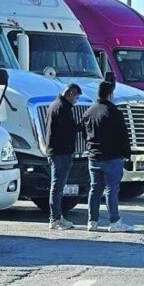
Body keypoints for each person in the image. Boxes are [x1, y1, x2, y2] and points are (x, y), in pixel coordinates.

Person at [83, 81, 134, 232]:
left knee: (94, 190)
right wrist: (127, 153)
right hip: (112, 157)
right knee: (111, 189)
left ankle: (92, 221)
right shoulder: (114, 113)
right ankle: (114, 221)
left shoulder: (89, 112)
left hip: (93, 157)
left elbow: (83, 133)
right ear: (110, 94)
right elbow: (123, 136)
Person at [44, 83, 82, 230]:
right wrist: (82, 125)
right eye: (76, 97)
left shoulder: (54, 105)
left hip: (55, 151)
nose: (76, 101)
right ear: (70, 94)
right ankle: (55, 218)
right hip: (61, 152)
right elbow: (68, 130)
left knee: (57, 186)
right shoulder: (62, 108)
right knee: (58, 186)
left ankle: (56, 217)